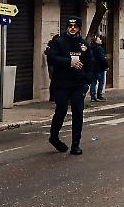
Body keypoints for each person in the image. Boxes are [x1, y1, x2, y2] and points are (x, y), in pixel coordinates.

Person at [45, 17, 95, 155]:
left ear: (79, 28)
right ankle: (54, 137)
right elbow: (51, 58)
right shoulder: (59, 42)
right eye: (70, 25)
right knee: (60, 111)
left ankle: (75, 145)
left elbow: (90, 63)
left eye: (75, 26)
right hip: (61, 84)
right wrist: (69, 62)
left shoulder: (83, 44)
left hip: (78, 85)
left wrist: (87, 82)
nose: (72, 28)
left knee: (78, 114)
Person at [89, 35, 109, 102]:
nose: (101, 40)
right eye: (99, 39)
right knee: (101, 82)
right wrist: (106, 66)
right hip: (99, 68)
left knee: (93, 82)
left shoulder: (90, 48)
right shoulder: (99, 48)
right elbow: (102, 59)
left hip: (92, 68)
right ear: (96, 41)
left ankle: (92, 97)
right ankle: (99, 95)